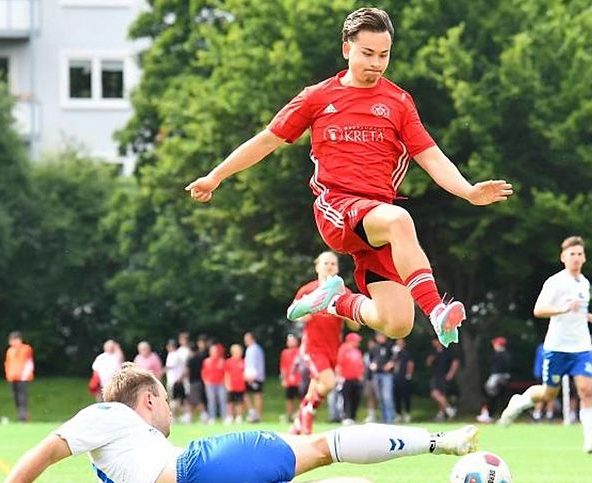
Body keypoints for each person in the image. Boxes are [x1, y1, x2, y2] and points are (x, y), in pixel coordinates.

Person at [186, 7, 512, 350]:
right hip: (338, 207)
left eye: (384, 55)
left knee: (397, 322)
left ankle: (335, 299)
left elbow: (429, 155)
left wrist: (468, 191)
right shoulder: (317, 97)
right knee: (401, 220)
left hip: (377, 220)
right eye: (368, 53)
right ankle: (437, 310)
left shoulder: (399, 101)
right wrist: (215, 176)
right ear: (347, 49)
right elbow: (267, 139)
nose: (376, 62)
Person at [0, 365, 480, 483]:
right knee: (325, 446)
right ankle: (442, 441)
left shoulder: (114, 467)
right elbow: (44, 451)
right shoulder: (110, 415)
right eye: (165, 400)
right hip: (197, 475)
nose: (169, 410)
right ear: (146, 400)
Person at [498, 236, 592, 453]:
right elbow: (539, 310)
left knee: (586, 390)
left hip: (581, 347)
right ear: (563, 257)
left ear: (584, 257)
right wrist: (564, 308)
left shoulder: (584, 283)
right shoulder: (555, 282)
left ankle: (590, 437)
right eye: (572, 254)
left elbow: (578, 311)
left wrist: (590, 317)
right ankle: (519, 402)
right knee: (549, 394)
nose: (576, 258)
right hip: (557, 347)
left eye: (579, 254)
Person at [290, 252, 356, 435]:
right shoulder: (307, 290)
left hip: (333, 349)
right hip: (312, 347)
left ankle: (298, 422)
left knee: (317, 386)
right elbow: (295, 315)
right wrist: (307, 311)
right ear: (317, 266)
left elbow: (355, 325)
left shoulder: (345, 292)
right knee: (328, 382)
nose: (329, 266)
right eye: (325, 263)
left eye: (333, 264)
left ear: (338, 268)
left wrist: (344, 310)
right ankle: (307, 418)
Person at [478, 337, 511, 423]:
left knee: (491, 396)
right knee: (501, 398)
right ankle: (496, 414)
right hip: (503, 378)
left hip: (497, 378)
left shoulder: (499, 355)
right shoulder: (506, 354)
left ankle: (489, 414)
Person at [426, 338, 459, 420]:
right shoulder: (433, 352)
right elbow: (428, 363)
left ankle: (446, 411)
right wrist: (430, 360)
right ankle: (446, 411)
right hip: (435, 375)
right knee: (437, 395)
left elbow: (455, 362)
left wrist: (451, 373)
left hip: (443, 375)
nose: (433, 343)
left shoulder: (447, 350)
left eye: (434, 341)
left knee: (439, 394)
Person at [5, 331, 34, 422]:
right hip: (12, 377)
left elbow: (29, 363)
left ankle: (23, 416)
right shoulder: (10, 351)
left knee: (22, 398)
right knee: (16, 398)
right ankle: (20, 414)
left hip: (23, 377)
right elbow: (8, 363)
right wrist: (8, 374)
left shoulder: (26, 349)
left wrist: (25, 375)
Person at [368, 332, 396, 424]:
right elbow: (371, 360)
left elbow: (394, 358)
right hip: (377, 374)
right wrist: (372, 365)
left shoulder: (390, 346)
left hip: (386, 374)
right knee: (380, 397)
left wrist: (390, 364)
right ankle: (384, 419)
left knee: (387, 396)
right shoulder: (374, 348)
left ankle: (390, 418)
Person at [338, 333, 365, 425]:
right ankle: (345, 417)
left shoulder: (357, 351)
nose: (359, 342)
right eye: (357, 340)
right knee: (345, 399)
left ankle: (353, 417)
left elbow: (360, 364)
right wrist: (339, 377)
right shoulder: (343, 349)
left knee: (355, 399)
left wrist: (361, 375)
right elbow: (339, 364)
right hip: (345, 379)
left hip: (356, 379)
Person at [280, 334, 303, 423]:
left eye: (293, 340)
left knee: (301, 399)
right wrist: (283, 379)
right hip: (289, 381)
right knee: (289, 399)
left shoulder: (300, 351)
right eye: (289, 341)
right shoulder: (284, 353)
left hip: (299, 380)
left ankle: (301, 416)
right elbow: (283, 368)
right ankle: (289, 416)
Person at [243, 332, 266, 423]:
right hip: (251, 375)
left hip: (254, 376)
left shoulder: (254, 349)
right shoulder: (250, 349)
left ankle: (258, 416)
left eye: (247, 338)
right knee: (246, 394)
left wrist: (251, 376)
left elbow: (253, 364)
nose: (245, 340)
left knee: (257, 395)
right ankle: (253, 413)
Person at [202, 342, 227, 422]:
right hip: (210, 384)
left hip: (220, 384)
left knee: (223, 400)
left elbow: (225, 373)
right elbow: (204, 372)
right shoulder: (207, 361)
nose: (214, 352)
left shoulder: (222, 361)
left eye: (215, 350)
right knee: (211, 401)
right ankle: (212, 418)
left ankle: (225, 417)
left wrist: (224, 381)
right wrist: (205, 381)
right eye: (212, 351)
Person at [392, 338, 414, 423]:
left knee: (406, 396)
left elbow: (410, 364)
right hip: (396, 377)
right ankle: (398, 414)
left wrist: (409, 374)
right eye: (398, 343)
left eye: (401, 343)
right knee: (396, 396)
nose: (399, 344)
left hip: (404, 377)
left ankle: (407, 413)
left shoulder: (406, 353)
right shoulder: (395, 353)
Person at [164, 339, 187, 418]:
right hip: (177, 380)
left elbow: (170, 366)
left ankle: (177, 415)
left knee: (174, 400)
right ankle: (177, 415)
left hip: (173, 381)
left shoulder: (173, 354)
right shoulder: (178, 354)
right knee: (178, 400)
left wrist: (160, 371)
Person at [225, 344, 248, 424]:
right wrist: (227, 384)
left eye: (240, 351)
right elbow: (226, 374)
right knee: (230, 402)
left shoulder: (244, 362)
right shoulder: (228, 362)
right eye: (237, 351)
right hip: (231, 386)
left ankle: (239, 417)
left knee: (239, 402)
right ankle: (230, 416)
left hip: (240, 386)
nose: (239, 353)